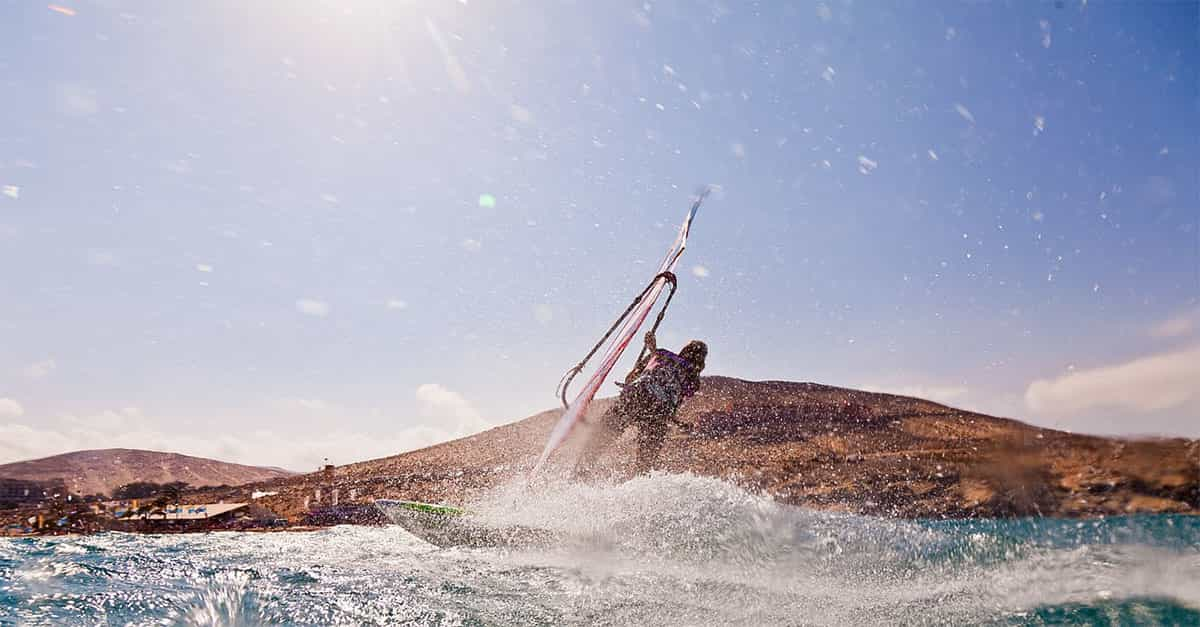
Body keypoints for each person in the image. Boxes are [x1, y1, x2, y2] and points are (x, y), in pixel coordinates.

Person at [575, 331, 708, 478]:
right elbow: (673, 402)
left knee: (601, 437)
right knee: (645, 465)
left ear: (684, 350)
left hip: (637, 398)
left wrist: (652, 351)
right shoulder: (694, 381)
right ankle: (640, 482)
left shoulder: (662, 354)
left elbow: (630, 378)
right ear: (701, 361)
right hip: (659, 414)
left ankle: (580, 472)